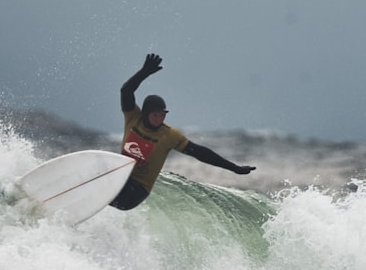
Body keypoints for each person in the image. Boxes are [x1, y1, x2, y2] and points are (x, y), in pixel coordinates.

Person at [109, 53, 256, 210]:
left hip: (137, 190)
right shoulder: (133, 117)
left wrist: (235, 168)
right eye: (155, 115)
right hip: (122, 178)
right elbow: (126, 91)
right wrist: (144, 72)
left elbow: (200, 153)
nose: (159, 119)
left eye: (162, 115)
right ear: (145, 113)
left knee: (115, 189)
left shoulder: (169, 135)